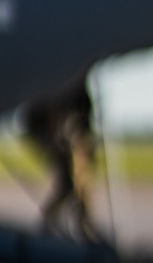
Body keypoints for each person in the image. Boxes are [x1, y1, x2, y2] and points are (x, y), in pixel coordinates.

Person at [22, 77, 100, 239]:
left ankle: (78, 221)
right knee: (69, 184)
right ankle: (53, 223)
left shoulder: (76, 87)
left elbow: (84, 115)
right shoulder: (57, 80)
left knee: (78, 184)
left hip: (67, 133)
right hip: (51, 131)